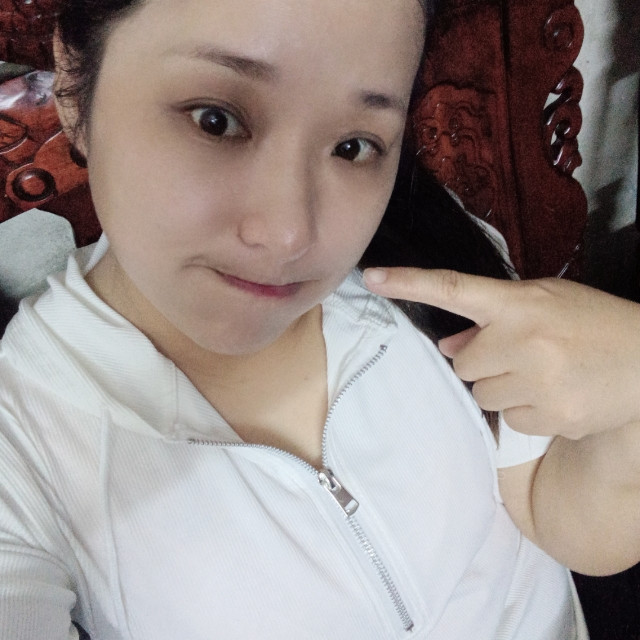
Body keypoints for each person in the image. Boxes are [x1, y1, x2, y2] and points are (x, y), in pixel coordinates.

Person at [0, 0, 599, 638]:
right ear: (74, 80)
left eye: (352, 146)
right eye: (216, 120)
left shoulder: (434, 262)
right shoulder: (24, 446)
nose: (290, 235)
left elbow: (558, 519)